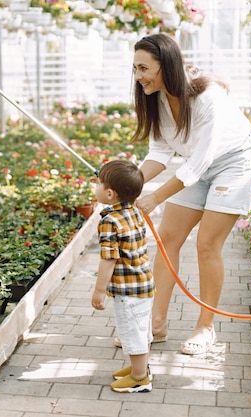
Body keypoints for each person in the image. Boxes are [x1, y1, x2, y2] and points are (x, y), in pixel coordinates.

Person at [130, 33, 251, 355]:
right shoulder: (156, 98)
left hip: (234, 162)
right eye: (135, 68)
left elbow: (201, 161)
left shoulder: (208, 97)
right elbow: (159, 153)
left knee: (206, 244)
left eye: (144, 68)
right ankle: (156, 323)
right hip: (195, 167)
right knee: (169, 235)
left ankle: (205, 328)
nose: (138, 76)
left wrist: (155, 197)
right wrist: (131, 185)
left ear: (167, 65)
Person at [91, 159, 154, 393]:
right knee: (141, 329)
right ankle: (140, 367)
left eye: (98, 184)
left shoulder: (109, 221)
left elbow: (109, 258)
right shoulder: (134, 211)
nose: (95, 187)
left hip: (128, 289)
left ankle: (139, 378)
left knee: (133, 331)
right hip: (144, 283)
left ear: (109, 193)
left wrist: (99, 290)